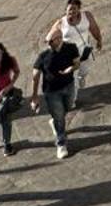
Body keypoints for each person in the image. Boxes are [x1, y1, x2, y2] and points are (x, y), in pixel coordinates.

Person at [30, 27, 81, 159]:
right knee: (59, 117)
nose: (48, 44)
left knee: (68, 107)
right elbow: (35, 76)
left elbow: (77, 63)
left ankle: (55, 122)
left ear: (59, 39)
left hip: (69, 86)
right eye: (47, 41)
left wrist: (71, 68)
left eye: (51, 41)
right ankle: (61, 143)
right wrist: (34, 96)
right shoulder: (44, 56)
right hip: (51, 91)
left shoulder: (71, 48)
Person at [53, 0, 105, 109]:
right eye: (69, 9)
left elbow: (94, 28)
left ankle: (82, 77)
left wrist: (99, 40)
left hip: (84, 52)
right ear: (66, 10)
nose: (72, 12)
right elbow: (50, 37)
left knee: (84, 71)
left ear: (79, 9)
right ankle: (72, 101)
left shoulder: (87, 16)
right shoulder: (61, 22)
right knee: (73, 80)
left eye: (74, 9)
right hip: (69, 57)